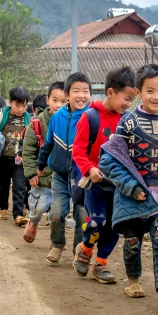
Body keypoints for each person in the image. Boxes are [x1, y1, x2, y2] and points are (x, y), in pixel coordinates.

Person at [101, 64, 158, 311]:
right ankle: (133, 281)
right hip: (133, 200)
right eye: (150, 90)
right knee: (132, 243)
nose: (156, 96)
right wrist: (130, 188)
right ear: (138, 91)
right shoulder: (127, 123)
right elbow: (110, 160)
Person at [71, 66, 137, 284]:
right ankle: (86, 248)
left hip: (120, 185)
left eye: (131, 99)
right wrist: (90, 168)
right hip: (96, 183)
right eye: (125, 98)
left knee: (114, 225)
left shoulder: (129, 121)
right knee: (97, 221)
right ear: (110, 92)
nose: (128, 104)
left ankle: (101, 263)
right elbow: (78, 151)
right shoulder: (90, 117)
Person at [37, 72, 91, 265]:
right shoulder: (57, 117)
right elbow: (48, 143)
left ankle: (79, 249)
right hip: (60, 174)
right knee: (57, 213)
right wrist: (41, 164)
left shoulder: (92, 116)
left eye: (86, 91)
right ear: (67, 94)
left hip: (83, 176)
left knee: (82, 215)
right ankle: (57, 244)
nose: (81, 95)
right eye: (76, 90)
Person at [21, 82, 66, 243]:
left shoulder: (73, 123)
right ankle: (33, 221)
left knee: (57, 213)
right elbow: (28, 151)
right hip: (43, 176)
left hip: (63, 178)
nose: (59, 105)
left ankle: (55, 243)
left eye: (64, 101)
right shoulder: (37, 124)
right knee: (39, 207)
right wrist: (31, 173)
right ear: (47, 100)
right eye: (55, 100)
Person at [0, 87, 31, 225]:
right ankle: (3, 208)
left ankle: (17, 215)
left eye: (24, 106)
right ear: (10, 102)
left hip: (20, 160)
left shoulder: (28, 118)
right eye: (18, 105)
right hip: (3, 158)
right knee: (3, 185)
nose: (21, 109)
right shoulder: (0, 116)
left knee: (19, 186)